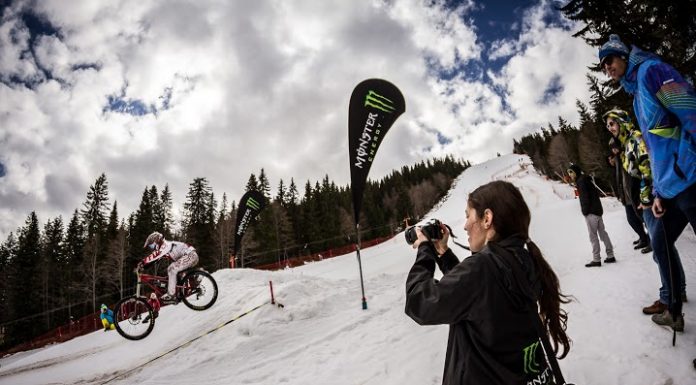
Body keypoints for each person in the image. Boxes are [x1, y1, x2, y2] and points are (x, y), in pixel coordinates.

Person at [405, 180, 570, 385]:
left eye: (468, 216)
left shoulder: (483, 268)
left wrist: (425, 250)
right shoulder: (524, 258)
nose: (464, 225)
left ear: (487, 219)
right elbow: (476, 297)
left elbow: (420, 302)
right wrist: (444, 253)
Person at [599, 34, 695, 329]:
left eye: (610, 60)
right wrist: (657, 191)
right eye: (602, 66)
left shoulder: (652, 71)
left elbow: (690, 113)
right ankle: (673, 311)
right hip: (669, 188)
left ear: (623, 56)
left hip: (690, 179)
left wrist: (684, 165)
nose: (607, 68)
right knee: (661, 242)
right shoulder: (637, 91)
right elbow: (655, 148)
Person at [603, 108, 686, 319]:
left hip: (650, 203)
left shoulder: (636, 138)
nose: (610, 128)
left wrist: (646, 199)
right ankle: (678, 290)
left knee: (660, 249)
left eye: (612, 123)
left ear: (622, 121)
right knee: (665, 247)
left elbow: (647, 169)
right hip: (644, 202)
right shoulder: (625, 144)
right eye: (607, 126)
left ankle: (669, 297)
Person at [567, 163, 615, 267]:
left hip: (591, 213)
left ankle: (596, 259)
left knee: (593, 236)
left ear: (576, 172)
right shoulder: (585, 179)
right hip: (597, 211)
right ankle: (610, 255)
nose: (570, 174)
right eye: (569, 172)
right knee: (603, 234)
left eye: (571, 172)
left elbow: (585, 198)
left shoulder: (581, 181)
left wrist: (585, 211)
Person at [140, 231, 199, 304]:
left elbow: (155, 255)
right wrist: (144, 267)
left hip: (191, 255)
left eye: (151, 245)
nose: (151, 248)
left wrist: (142, 263)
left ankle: (171, 295)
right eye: (150, 247)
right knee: (175, 275)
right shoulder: (161, 248)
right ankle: (182, 294)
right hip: (188, 257)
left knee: (172, 269)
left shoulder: (165, 245)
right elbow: (155, 259)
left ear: (157, 240)